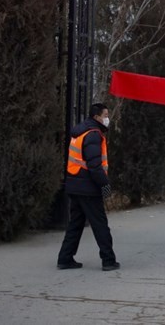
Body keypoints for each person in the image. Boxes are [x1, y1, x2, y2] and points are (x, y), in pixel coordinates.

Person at [57, 103, 120, 271]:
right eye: (105, 115)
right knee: (100, 224)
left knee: (75, 224)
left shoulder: (80, 132)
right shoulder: (93, 135)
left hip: (75, 184)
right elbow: (94, 166)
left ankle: (65, 258)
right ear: (96, 117)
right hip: (88, 187)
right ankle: (108, 260)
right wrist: (105, 184)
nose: (107, 119)